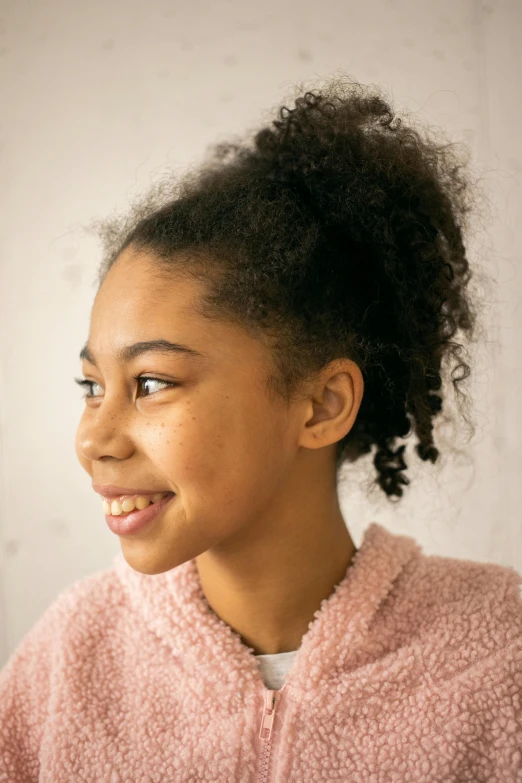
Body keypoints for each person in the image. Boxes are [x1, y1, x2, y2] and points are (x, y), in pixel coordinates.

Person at [1, 75, 521, 782]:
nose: (94, 439)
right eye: (92, 386)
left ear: (320, 404)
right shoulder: (67, 658)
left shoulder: (499, 649)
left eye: (150, 383)